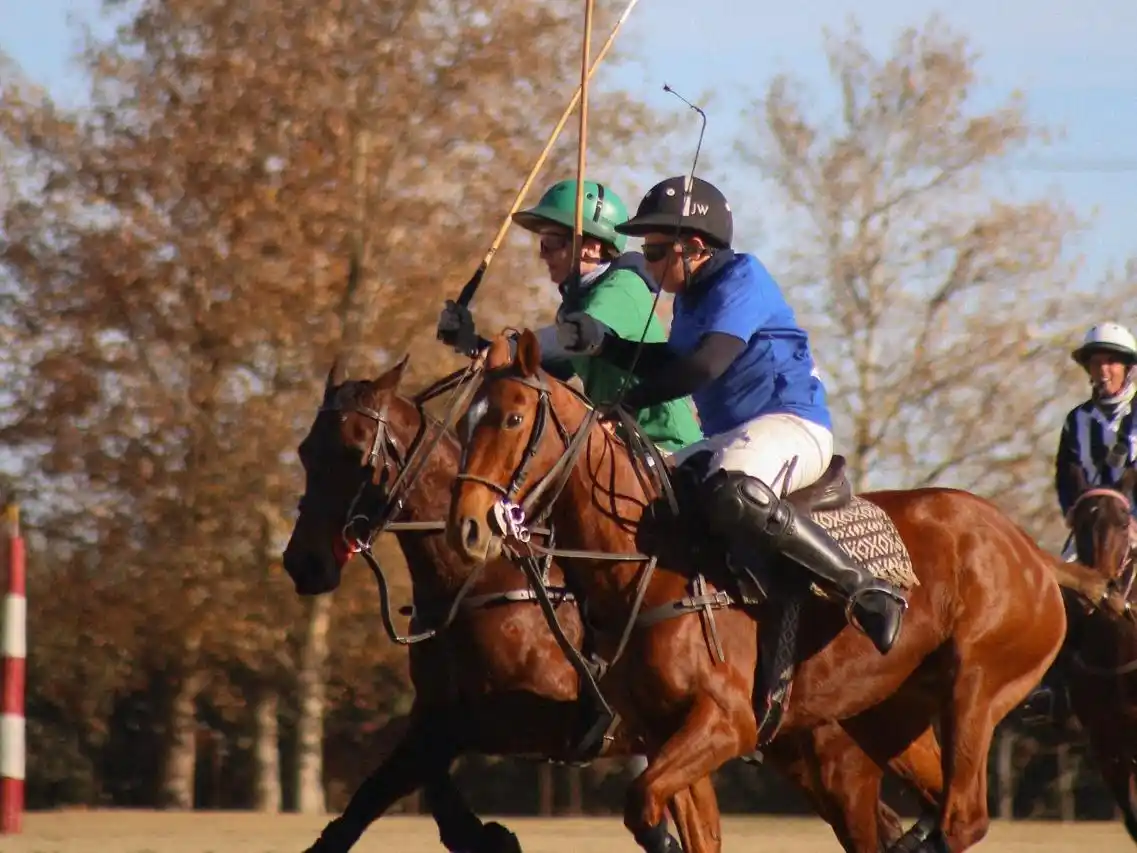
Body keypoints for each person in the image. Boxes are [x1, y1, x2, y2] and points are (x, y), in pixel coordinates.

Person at [554, 175, 907, 655]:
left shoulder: (744, 278)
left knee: (734, 490)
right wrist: (601, 341)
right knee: (647, 493)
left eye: (656, 252)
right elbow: (668, 362)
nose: (646, 264)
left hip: (792, 424)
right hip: (730, 435)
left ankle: (863, 588)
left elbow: (705, 364)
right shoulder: (689, 299)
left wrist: (628, 404)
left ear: (694, 246)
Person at [436, 178, 703, 454]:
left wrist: (511, 347)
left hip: (668, 448)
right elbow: (539, 368)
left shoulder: (623, 287)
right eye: (542, 244)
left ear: (592, 247)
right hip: (620, 447)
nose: (544, 255)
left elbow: (569, 337)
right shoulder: (576, 305)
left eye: (551, 243)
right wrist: (472, 344)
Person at [1024, 321, 1137, 727]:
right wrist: (1076, 513)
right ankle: (1051, 686)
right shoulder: (1077, 420)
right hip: (1093, 529)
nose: (1102, 370)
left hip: (1136, 523)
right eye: (1096, 363)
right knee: (1056, 592)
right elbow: (1066, 472)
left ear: (1127, 368)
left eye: (1110, 362)